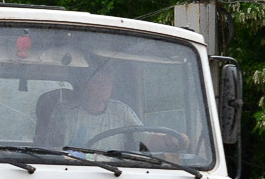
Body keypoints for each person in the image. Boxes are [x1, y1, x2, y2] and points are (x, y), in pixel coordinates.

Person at [43, 64, 187, 153]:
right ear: (85, 85)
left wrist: (171, 139)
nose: (105, 86)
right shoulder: (67, 113)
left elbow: (144, 139)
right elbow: (57, 151)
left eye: (108, 82)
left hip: (113, 172)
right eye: (99, 81)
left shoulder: (120, 111)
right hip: (76, 170)